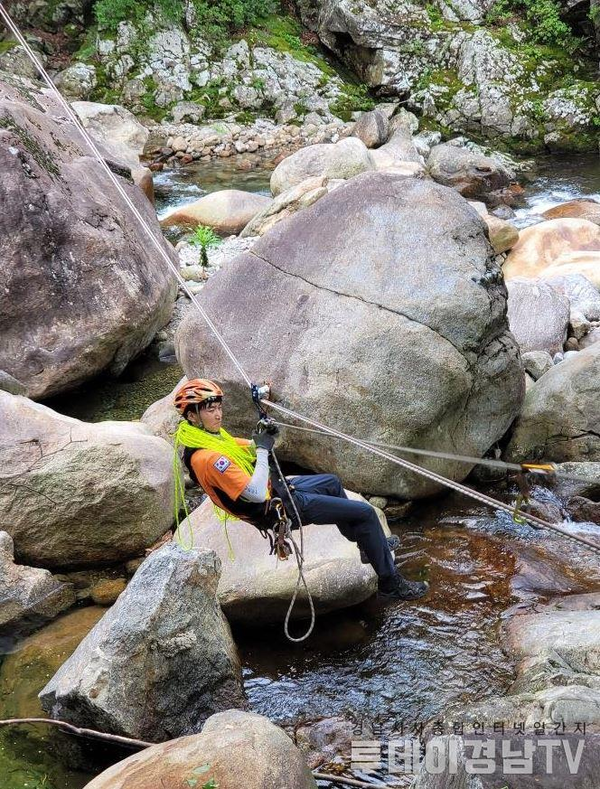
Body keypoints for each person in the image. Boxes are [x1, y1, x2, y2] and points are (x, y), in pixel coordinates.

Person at [173, 378, 429, 602]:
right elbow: (254, 492)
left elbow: (247, 447)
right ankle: (390, 584)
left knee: (331, 483)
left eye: (218, 407)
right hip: (278, 509)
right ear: (192, 416)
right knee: (365, 513)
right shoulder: (207, 459)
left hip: (277, 492)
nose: (218, 415)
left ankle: (366, 544)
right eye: (210, 410)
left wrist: (261, 434)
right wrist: (262, 449)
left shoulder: (208, 437)